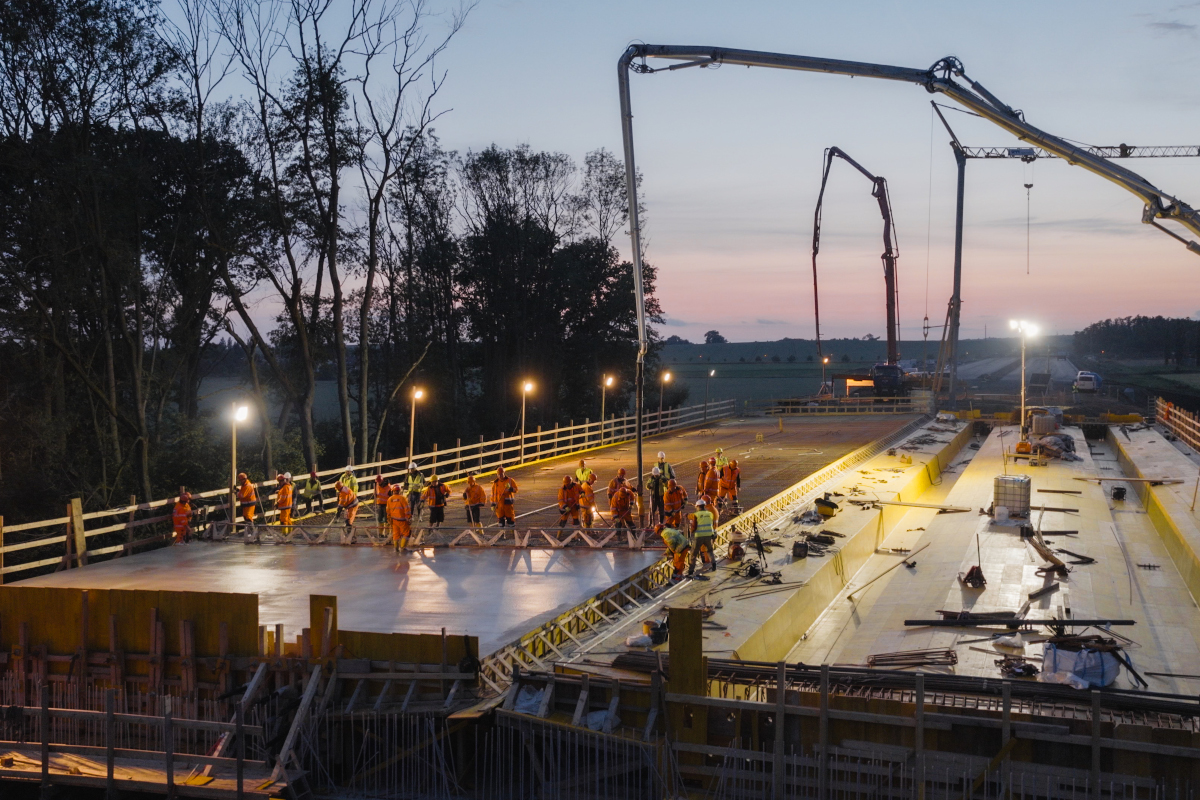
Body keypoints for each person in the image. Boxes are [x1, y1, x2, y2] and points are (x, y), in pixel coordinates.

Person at [688, 498, 718, 575]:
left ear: (698, 506)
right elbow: (711, 524)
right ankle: (714, 565)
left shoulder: (696, 514)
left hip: (699, 536)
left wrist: (691, 531)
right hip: (709, 536)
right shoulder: (710, 514)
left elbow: (694, 526)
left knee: (693, 554)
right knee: (710, 551)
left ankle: (691, 571)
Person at [386, 484, 412, 553]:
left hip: (394, 520)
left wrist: (389, 519)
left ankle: (396, 548)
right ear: (400, 490)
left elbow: (388, 511)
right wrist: (409, 517)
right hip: (402, 520)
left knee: (396, 534)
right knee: (407, 533)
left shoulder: (389, 499)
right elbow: (407, 509)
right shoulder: (402, 498)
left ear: (393, 491)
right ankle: (403, 547)